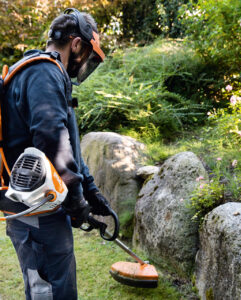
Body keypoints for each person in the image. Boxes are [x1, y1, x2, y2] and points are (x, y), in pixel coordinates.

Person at [0, 8, 112, 300]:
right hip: (36, 209)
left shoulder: (46, 72)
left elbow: (68, 145)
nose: (85, 63)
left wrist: (92, 192)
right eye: (88, 53)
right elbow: (51, 141)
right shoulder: (43, 73)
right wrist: (76, 200)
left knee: (57, 284)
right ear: (76, 44)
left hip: (44, 205)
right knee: (48, 291)